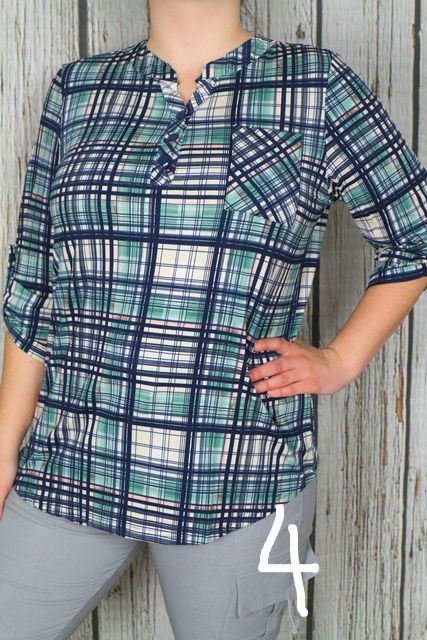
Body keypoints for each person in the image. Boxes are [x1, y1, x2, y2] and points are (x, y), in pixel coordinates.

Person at [1, 0, 427, 638]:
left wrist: (341, 359)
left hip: (238, 474)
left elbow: (416, 233)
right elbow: (34, 282)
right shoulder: (78, 90)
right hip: (73, 459)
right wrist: (4, 446)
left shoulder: (317, 84)